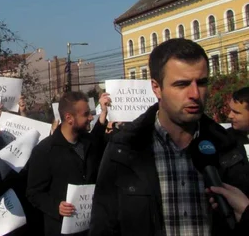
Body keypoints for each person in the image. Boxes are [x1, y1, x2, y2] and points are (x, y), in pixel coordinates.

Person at [90, 38, 249, 236]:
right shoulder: (124, 150)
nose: (194, 94)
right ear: (156, 88)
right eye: (181, 84)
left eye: (201, 82)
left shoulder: (228, 149)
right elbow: (103, 226)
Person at [26, 91, 107, 236]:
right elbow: (34, 193)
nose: (90, 117)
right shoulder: (45, 150)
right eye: (86, 114)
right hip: (60, 229)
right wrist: (56, 206)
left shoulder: (89, 142)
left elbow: (98, 138)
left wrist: (103, 115)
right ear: (69, 118)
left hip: (91, 229)